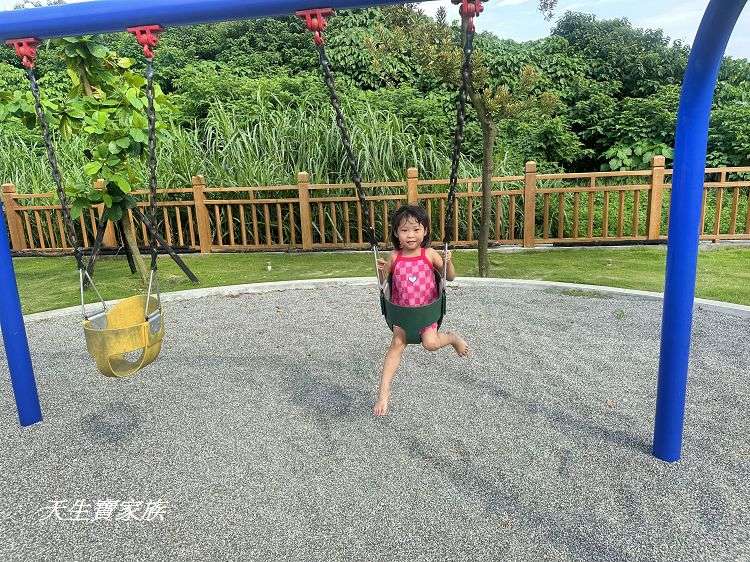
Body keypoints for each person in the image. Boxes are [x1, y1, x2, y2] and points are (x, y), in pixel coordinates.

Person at [373, 204, 469, 416]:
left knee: (431, 344)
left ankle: (451, 337)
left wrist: (447, 263)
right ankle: (383, 394)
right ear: (396, 233)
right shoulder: (395, 257)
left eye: (416, 229)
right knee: (396, 345)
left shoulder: (429, 254)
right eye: (405, 230)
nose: (410, 235)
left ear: (425, 231)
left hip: (426, 314)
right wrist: (381, 270)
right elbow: (383, 283)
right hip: (402, 315)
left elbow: (449, 277)